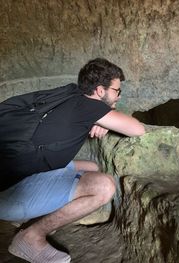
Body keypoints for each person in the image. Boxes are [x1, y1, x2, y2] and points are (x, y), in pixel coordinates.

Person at [0, 58, 145, 263]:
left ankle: (30, 213)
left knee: (92, 167)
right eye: (116, 91)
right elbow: (137, 129)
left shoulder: (68, 93)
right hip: (8, 196)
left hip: (9, 173)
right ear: (100, 91)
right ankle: (31, 237)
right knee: (104, 186)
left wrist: (103, 118)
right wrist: (106, 115)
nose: (118, 96)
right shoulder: (90, 108)